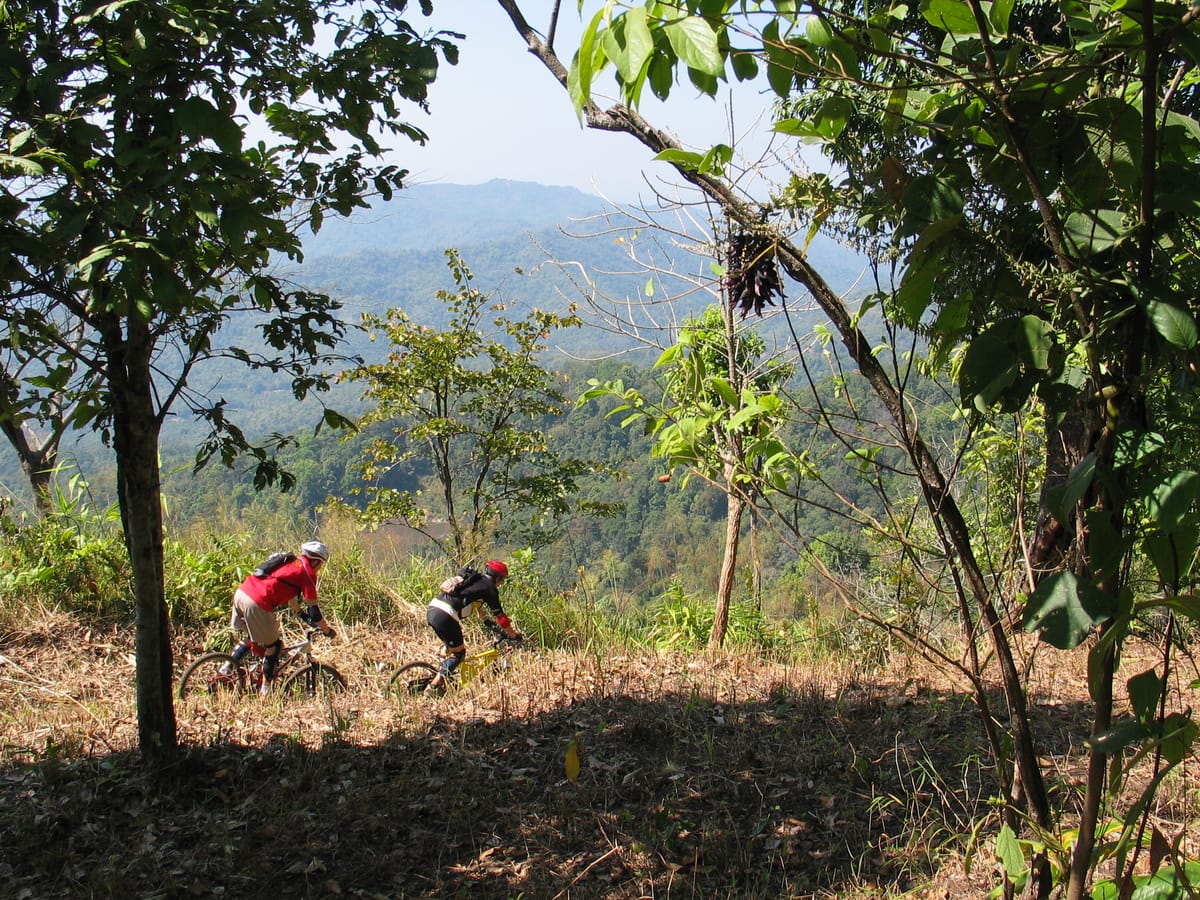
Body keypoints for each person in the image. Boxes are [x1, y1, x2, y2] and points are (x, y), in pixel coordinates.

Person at [223, 540, 336, 695]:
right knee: (274, 646)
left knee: (251, 636)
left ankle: (226, 667)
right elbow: (315, 613)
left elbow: (292, 600)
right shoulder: (308, 572)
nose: (320, 568)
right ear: (316, 561)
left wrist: (301, 615)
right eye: (321, 564)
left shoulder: (291, 562)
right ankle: (266, 691)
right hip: (257, 602)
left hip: (242, 593)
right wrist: (327, 630)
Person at [425, 560, 519, 691]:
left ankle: (442, 669)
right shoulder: (490, 588)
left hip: (433, 608)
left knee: (452, 646)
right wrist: (513, 635)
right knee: (459, 654)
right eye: (502, 580)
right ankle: (434, 686)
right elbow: (501, 618)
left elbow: (476, 604)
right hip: (446, 614)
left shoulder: (475, 579)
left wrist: (486, 620)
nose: (501, 583)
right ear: (497, 578)